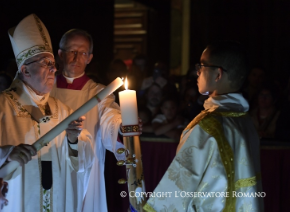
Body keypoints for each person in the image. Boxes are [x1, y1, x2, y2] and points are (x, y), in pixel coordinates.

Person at [0, 14, 90, 212]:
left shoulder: (62, 110)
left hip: (57, 202)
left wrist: (73, 140)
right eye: (46, 63)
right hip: (15, 203)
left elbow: (83, 162)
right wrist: (6, 154)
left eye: (54, 64)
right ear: (25, 70)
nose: (53, 70)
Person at [144, 41, 263, 211]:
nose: (197, 72)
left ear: (218, 74)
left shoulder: (207, 126)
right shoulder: (246, 122)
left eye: (202, 65)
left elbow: (180, 186)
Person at [50, 29, 127, 212]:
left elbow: (111, 118)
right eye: (71, 51)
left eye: (83, 53)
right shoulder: (44, 88)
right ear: (60, 54)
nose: (76, 58)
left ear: (89, 58)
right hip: (50, 165)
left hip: (86, 171)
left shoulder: (99, 93)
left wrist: (122, 127)